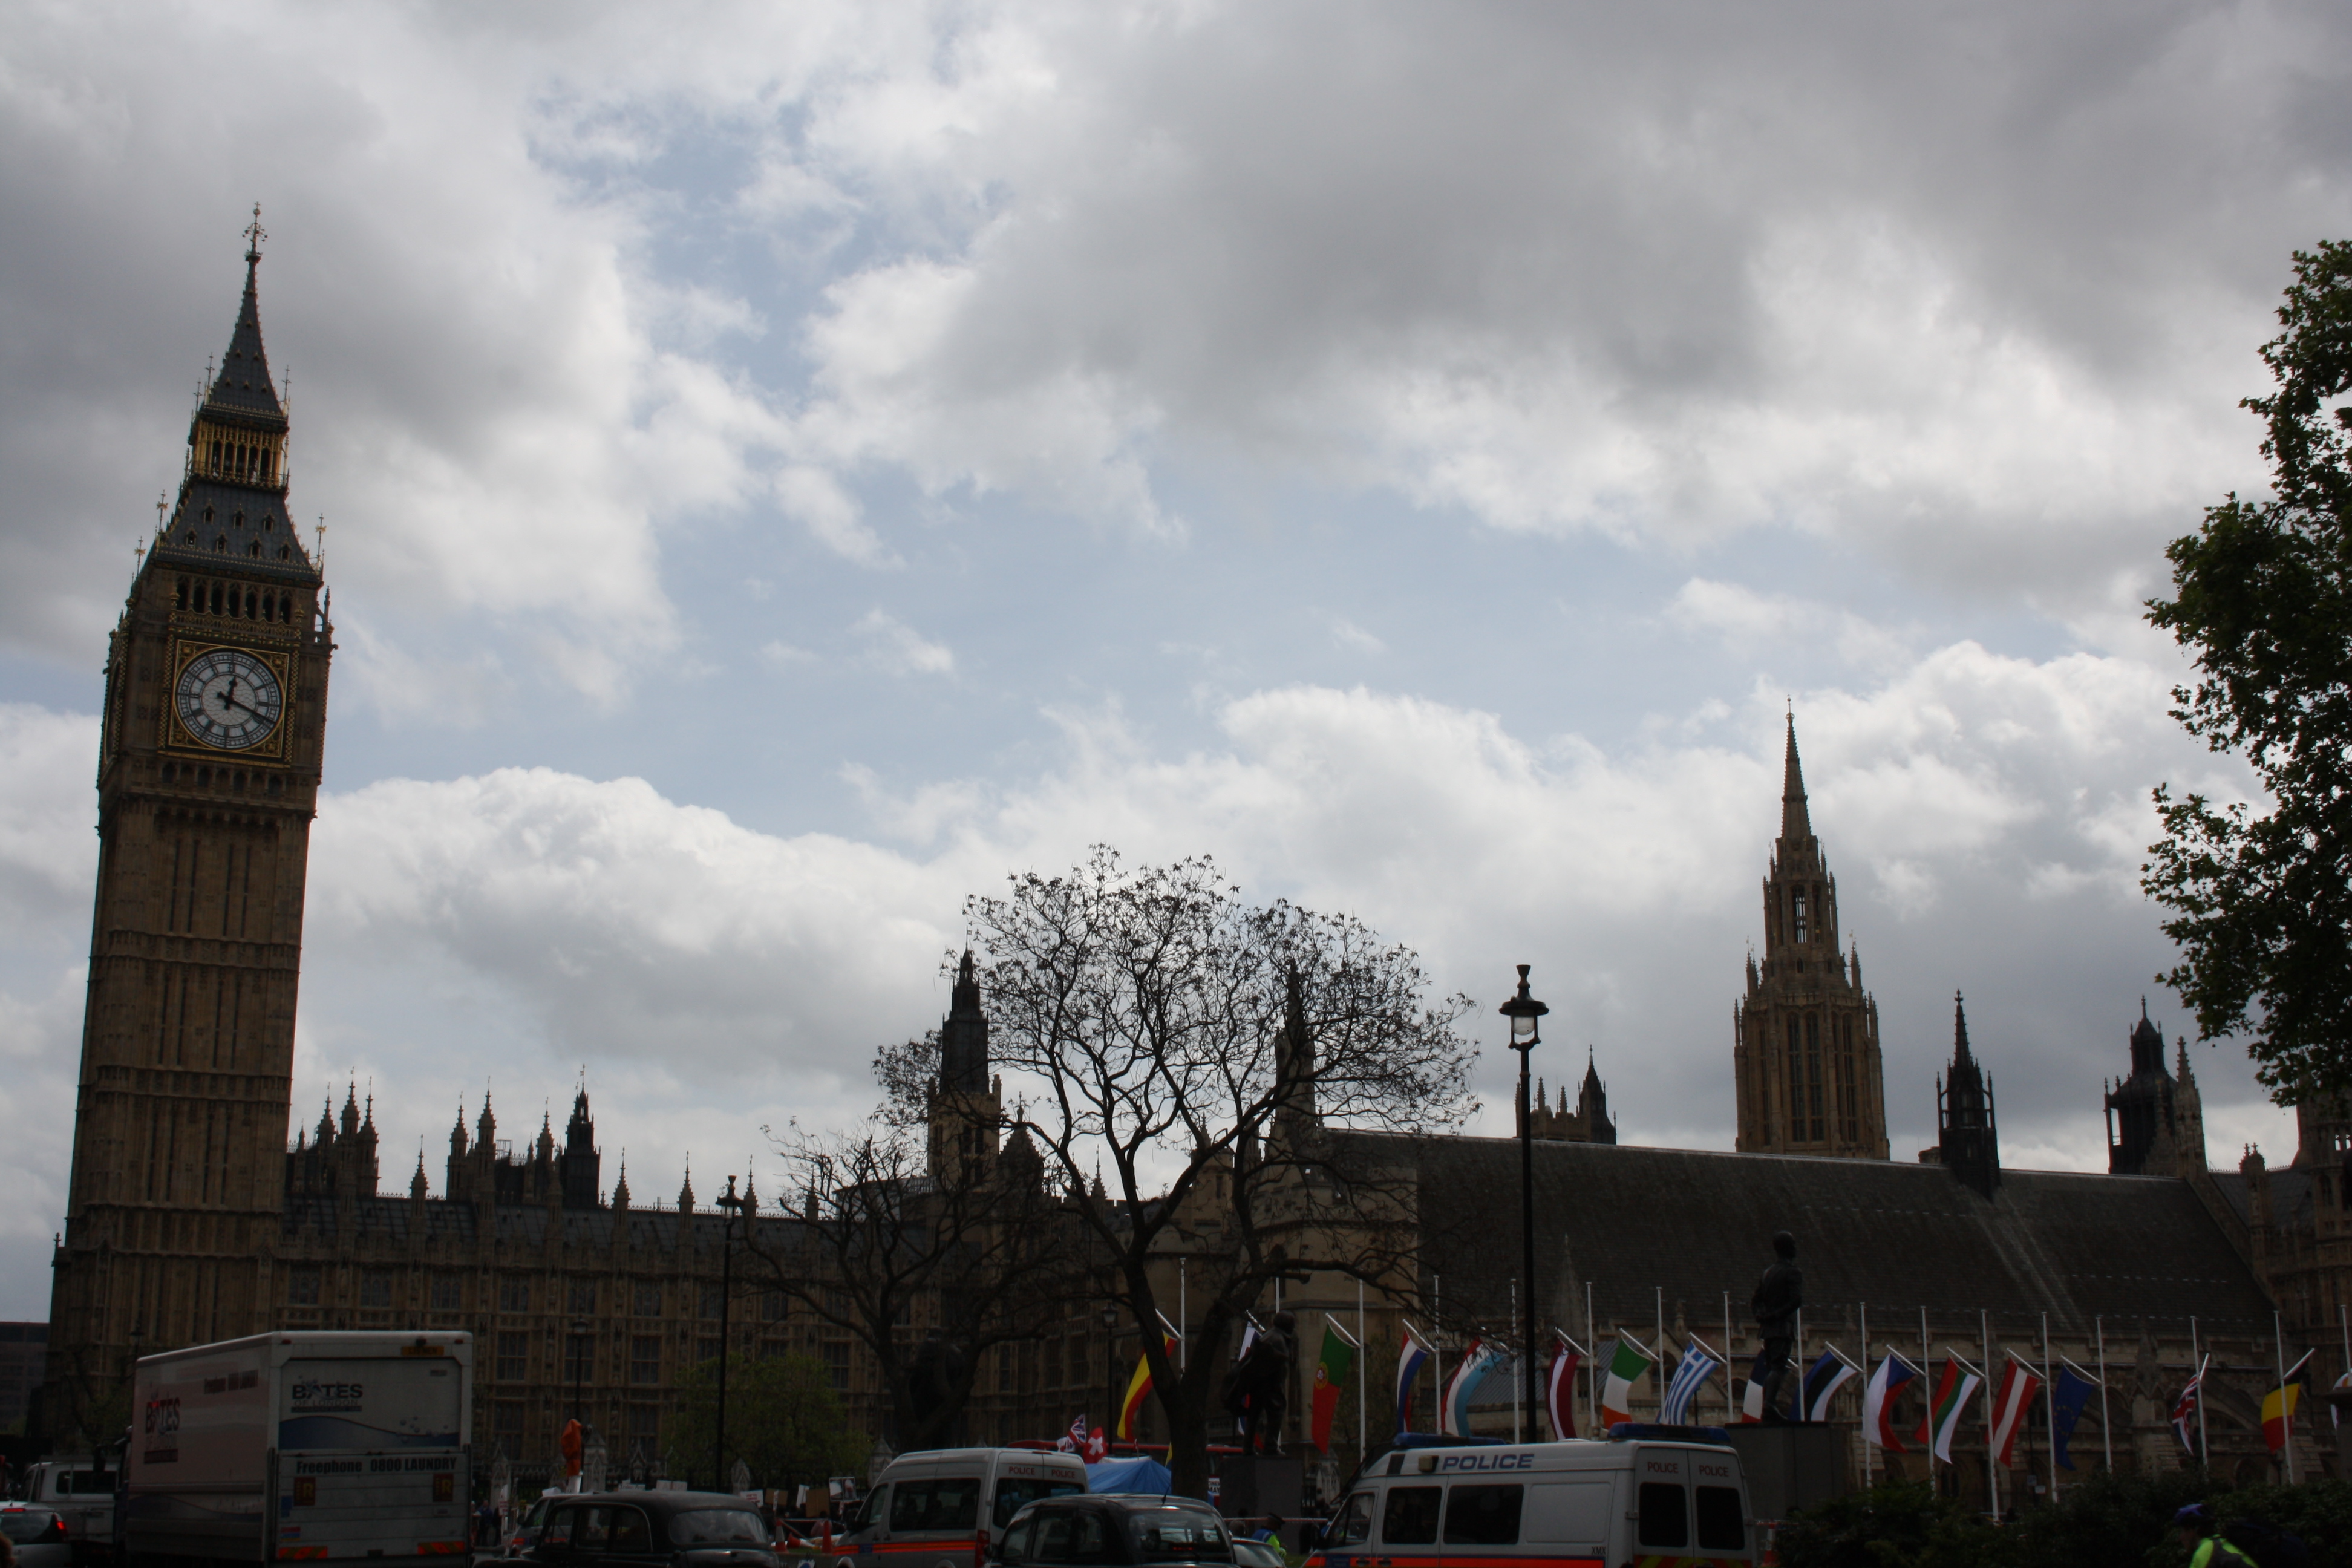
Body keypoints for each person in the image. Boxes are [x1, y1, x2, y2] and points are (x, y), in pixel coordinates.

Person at [1748, 1231, 1802, 1422]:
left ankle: (1769, 1404)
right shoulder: (1792, 1272)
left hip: (1768, 1330)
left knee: (1772, 1367)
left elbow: (1755, 1302)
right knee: (1778, 1367)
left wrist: (1761, 1316)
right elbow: (1796, 1300)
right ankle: (1769, 1405)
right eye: (1793, 1244)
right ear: (1787, 1248)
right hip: (1782, 1328)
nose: (1795, 1248)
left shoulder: (1767, 1274)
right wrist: (1776, 1315)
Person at [2174, 1504, 2253, 1567]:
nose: (2180, 1538)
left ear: (2191, 1531)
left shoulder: (2205, 1552)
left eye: (2182, 1532)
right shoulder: (2227, 1543)